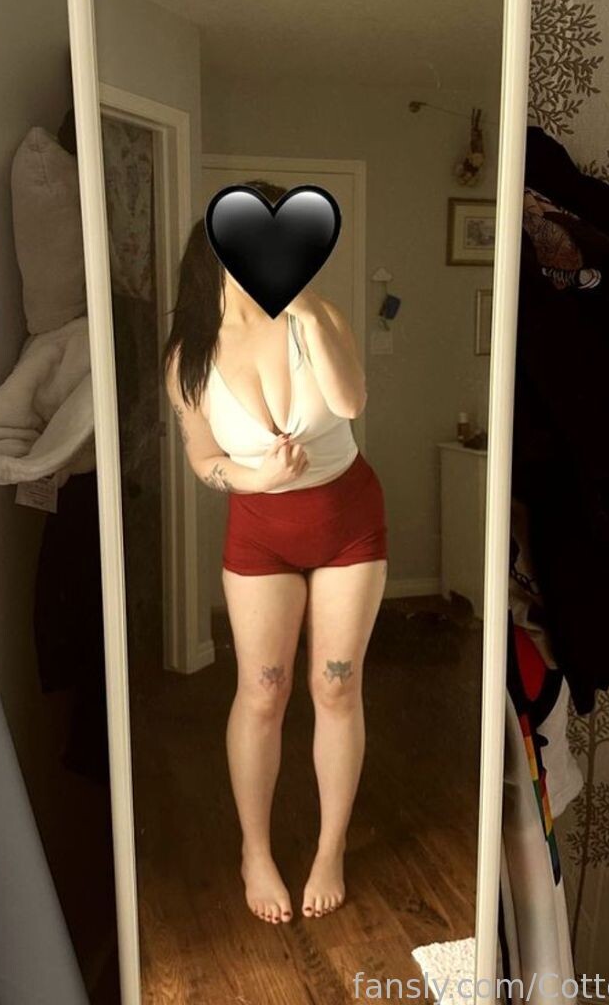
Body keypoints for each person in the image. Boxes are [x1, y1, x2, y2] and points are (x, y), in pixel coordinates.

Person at [162, 181, 388, 925]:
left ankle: (330, 847)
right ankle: (253, 852)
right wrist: (253, 477)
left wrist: (306, 310)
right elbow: (203, 458)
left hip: (348, 523)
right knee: (262, 690)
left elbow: (350, 403)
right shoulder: (189, 358)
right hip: (259, 531)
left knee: (336, 688)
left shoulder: (318, 316)